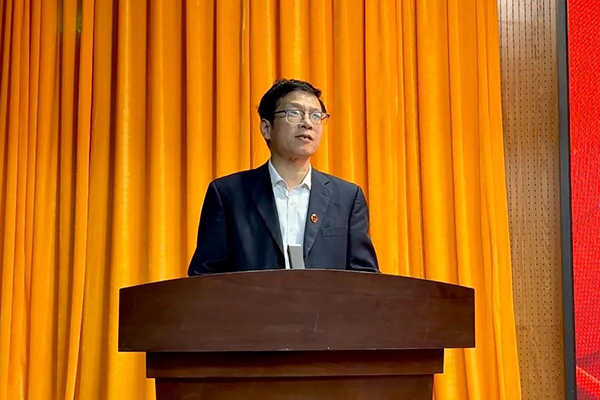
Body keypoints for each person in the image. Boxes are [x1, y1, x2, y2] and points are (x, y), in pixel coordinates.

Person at [188, 79, 378, 275]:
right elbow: (206, 276)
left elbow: (365, 278)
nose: (307, 123)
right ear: (266, 128)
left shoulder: (347, 198)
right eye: (294, 113)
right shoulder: (228, 194)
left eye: (315, 115)